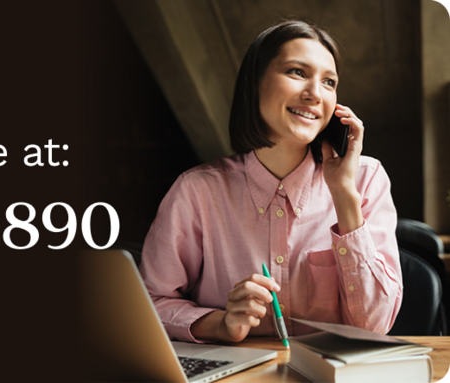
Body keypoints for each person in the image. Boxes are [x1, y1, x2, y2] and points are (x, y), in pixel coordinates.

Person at [139, 20, 401, 343]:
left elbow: (373, 327)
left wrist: (345, 196)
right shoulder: (197, 191)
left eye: (329, 82)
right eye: (297, 72)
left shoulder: (366, 179)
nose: (314, 94)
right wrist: (219, 324)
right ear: (255, 83)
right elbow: (149, 304)